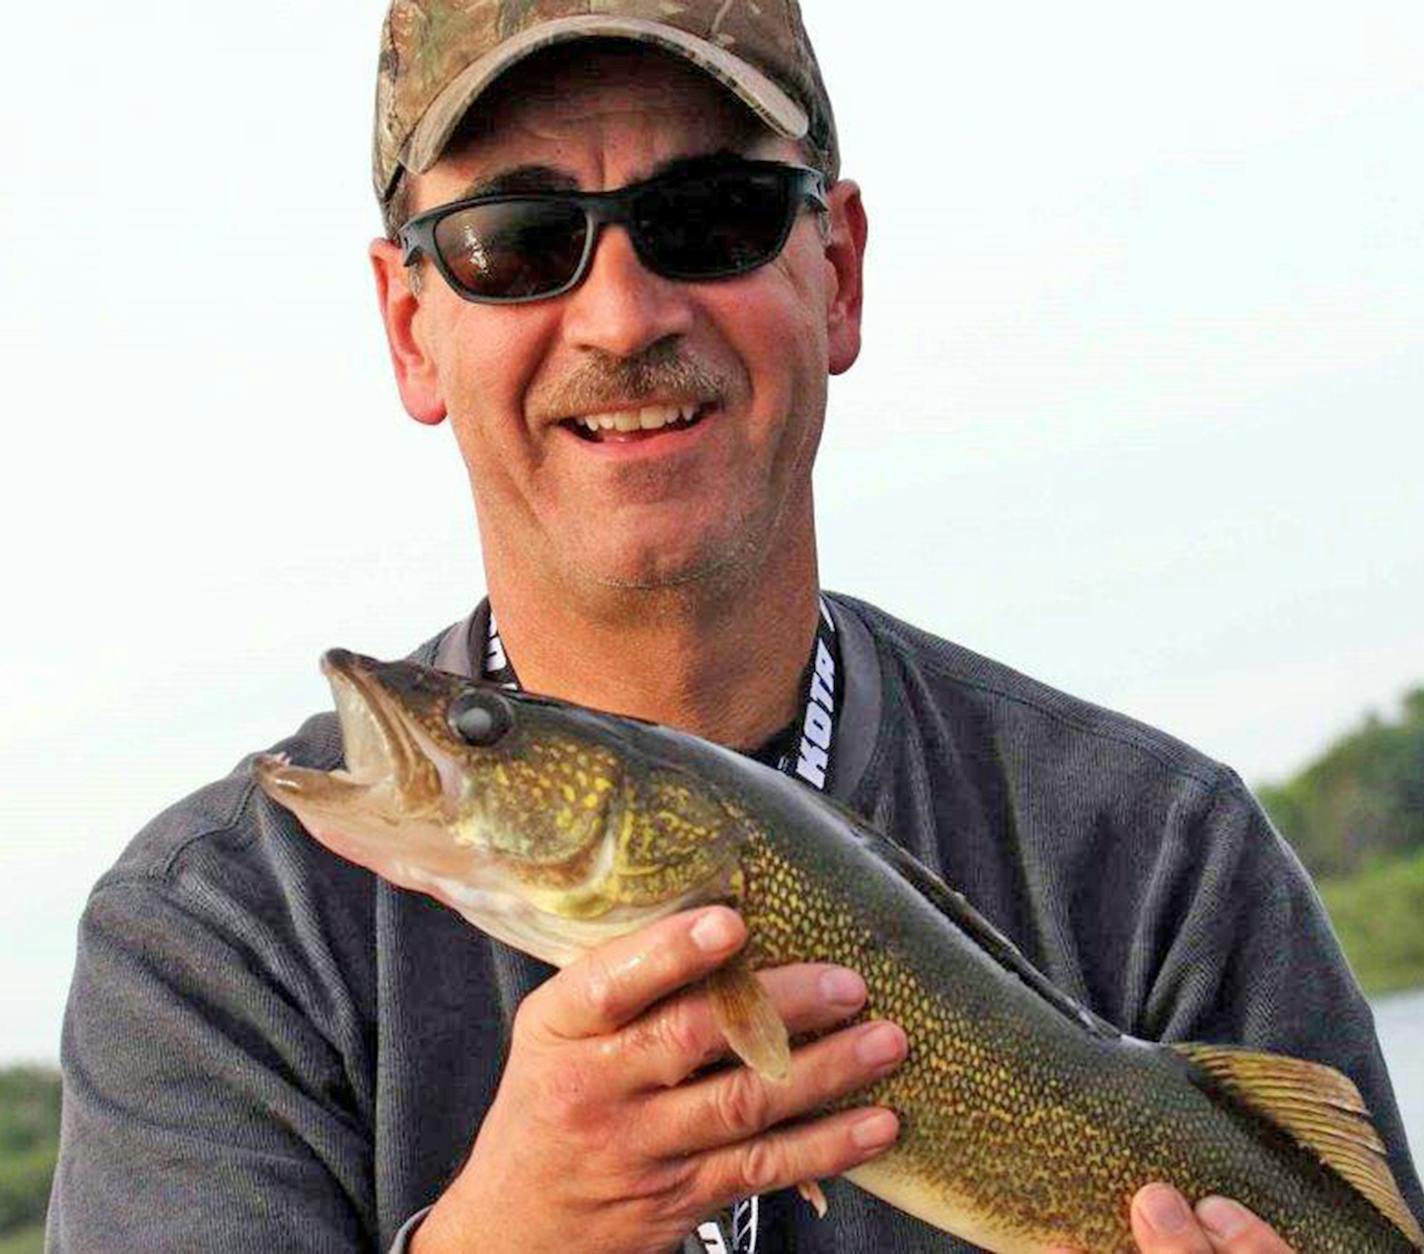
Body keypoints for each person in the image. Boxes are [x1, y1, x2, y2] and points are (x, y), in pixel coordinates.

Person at [48, 3, 1422, 1252]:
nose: (623, 312)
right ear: (412, 327)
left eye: (710, 215)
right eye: (517, 242)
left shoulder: (1163, 861)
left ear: (841, 274)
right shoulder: (217, 947)